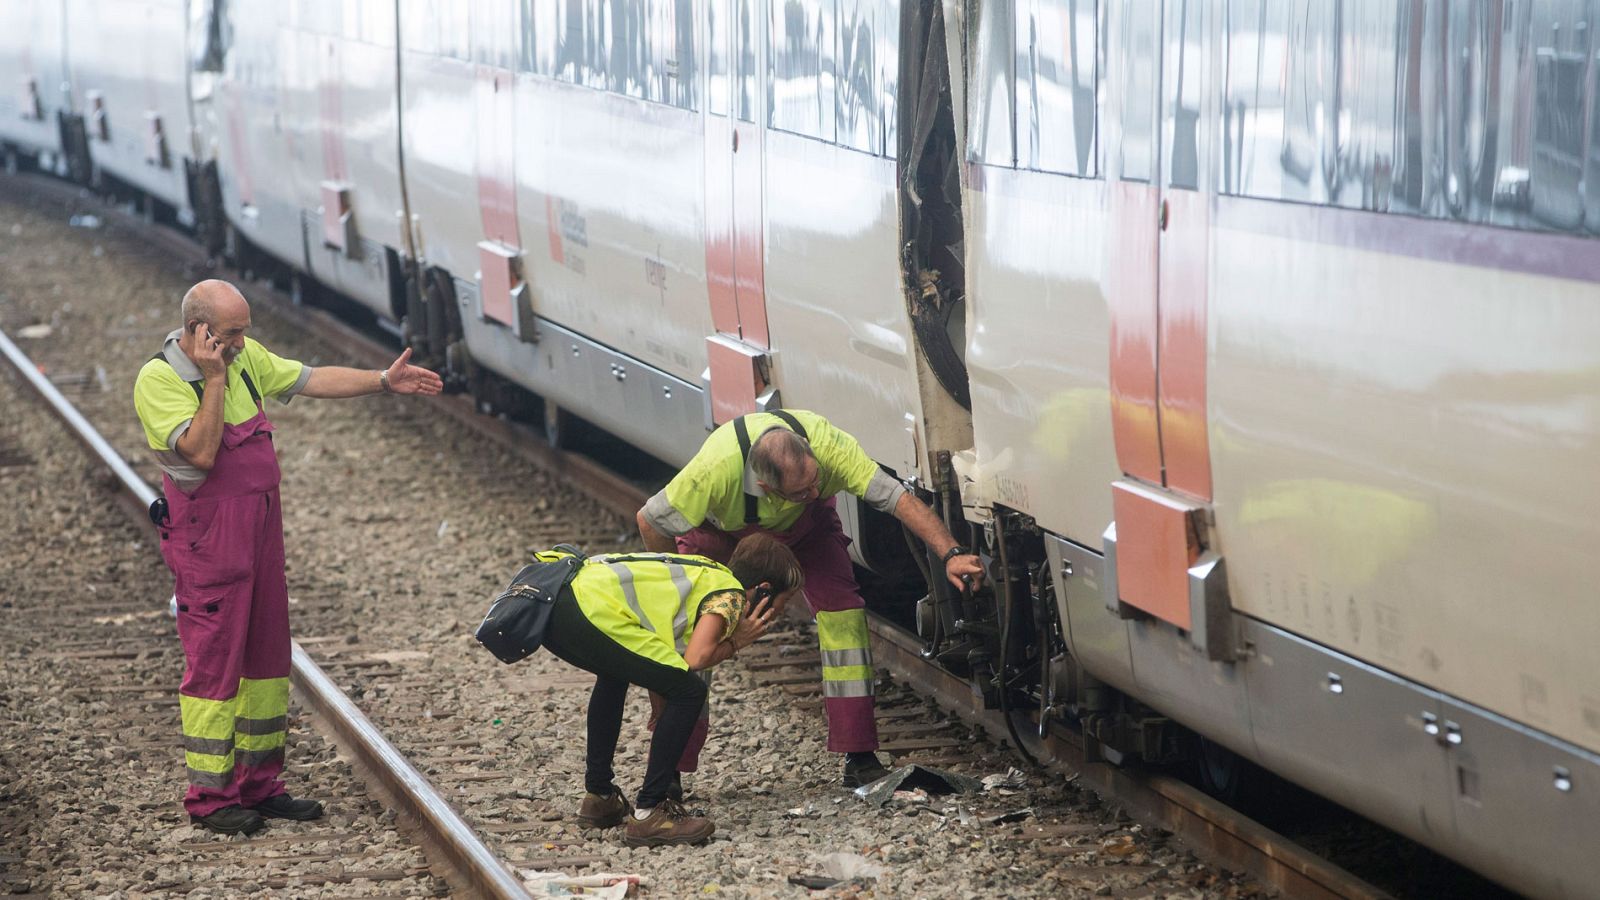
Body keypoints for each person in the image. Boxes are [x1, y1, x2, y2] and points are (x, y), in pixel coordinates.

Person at [132, 279, 443, 835]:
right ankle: (210, 796)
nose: (242, 342)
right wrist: (214, 377)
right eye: (232, 334)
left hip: (259, 534)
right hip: (209, 542)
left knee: (268, 659)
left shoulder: (245, 358)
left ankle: (259, 784)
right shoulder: (159, 380)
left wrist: (381, 381)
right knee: (214, 663)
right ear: (200, 331)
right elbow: (201, 454)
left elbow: (310, 377)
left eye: (243, 332)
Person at [636, 409, 984, 788]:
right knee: (692, 630)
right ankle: (667, 769)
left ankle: (860, 758)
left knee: (844, 616)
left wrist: (951, 553)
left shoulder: (831, 448)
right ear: (766, 487)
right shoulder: (715, 469)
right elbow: (649, 521)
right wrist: (677, 590)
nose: (815, 492)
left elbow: (897, 499)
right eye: (801, 491)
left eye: (816, 480)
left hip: (806, 530)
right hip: (722, 534)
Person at [543, 534, 797, 846]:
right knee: (690, 692)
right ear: (764, 591)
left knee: (614, 675)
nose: (780, 614)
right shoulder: (731, 596)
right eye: (782, 604)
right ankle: (650, 811)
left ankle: (599, 796)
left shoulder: (708, 572)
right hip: (587, 606)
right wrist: (737, 641)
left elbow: (660, 645)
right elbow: (696, 659)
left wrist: (660, 696)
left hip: (562, 600)